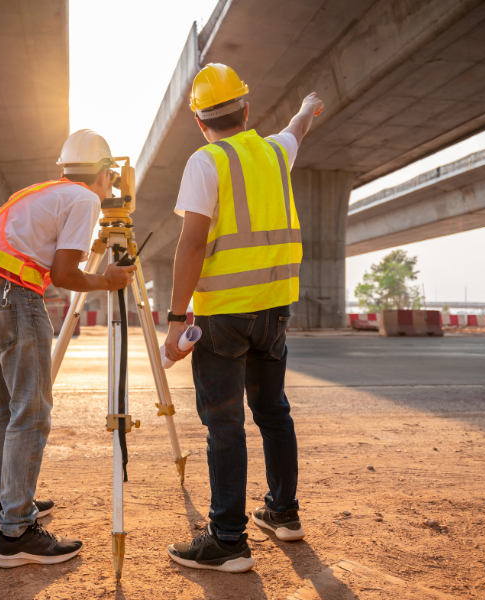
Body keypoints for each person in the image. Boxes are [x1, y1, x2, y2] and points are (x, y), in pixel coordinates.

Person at [163, 63, 324, 573]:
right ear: (247, 109)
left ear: (198, 119)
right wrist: (304, 108)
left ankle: (228, 540)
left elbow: (191, 243)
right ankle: (282, 513)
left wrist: (173, 320)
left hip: (223, 318)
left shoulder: (206, 160)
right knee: (273, 411)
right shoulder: (275, 151)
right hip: (273, 311)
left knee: (224, 423)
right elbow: (297, 128)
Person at [0, 129, 137, 568]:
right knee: (30, 411)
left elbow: (54, 252)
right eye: (111, 177)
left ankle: (3, 504)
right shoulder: (85, 198)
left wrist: (91, 252)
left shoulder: (43, 192)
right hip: (12, 296)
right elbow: (64, 274)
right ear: (106, 173)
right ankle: (16, 533)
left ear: (64, 167)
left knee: (5, 407)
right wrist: (107, 280)